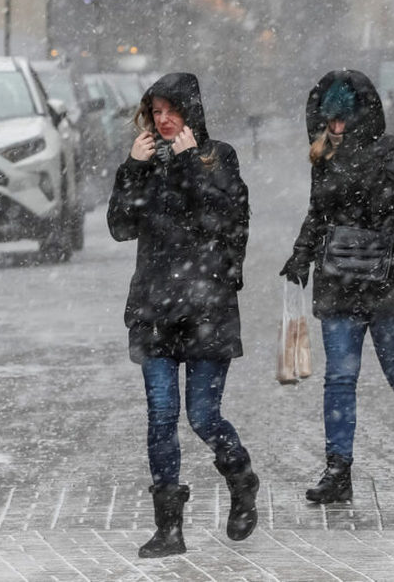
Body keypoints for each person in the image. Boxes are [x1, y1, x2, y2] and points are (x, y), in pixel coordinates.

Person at [279, 69, 394, 504]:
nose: (335, 129)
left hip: (389, 275)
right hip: (338, 275)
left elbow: (382, 206)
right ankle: (338, 470)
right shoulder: (323, 155)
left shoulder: (391, 149)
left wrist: (347, 155)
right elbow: (318, 211)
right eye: (329, 122)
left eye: (342, 121)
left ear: (360, 117)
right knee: (339, 377)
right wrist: (300, 253)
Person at [107, 72, 258, 557]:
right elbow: (119, 226)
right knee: (161, 416)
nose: (164, 119)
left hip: (206, 307)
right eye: (156, 112)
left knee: (202, 415)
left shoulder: (219, 157)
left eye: (172, 110)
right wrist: (131, 169)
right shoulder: (144, 163)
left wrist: (192, 162)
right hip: (154, 307)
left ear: (191, 111)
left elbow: (221, 218)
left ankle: (241, 478)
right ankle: (169, 527)